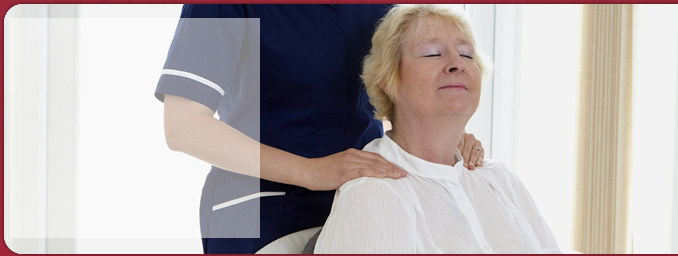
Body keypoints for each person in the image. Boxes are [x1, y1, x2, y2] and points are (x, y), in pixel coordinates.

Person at [155, 4, 487, 254]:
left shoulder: (377, 8)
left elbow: (396, 89)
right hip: (261, 214)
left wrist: (448, 137)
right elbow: (183, 126)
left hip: (364, 199)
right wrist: (310, 171)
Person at [314, 5, 559, 253]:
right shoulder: (373, 195)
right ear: (387, 81)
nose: (457, 64)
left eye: (466, 54)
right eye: (432, 54)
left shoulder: (500, 179)